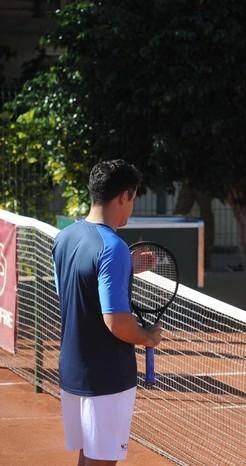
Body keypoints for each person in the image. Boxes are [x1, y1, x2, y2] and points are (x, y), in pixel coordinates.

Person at [52, 159, 163, 466]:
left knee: (88, 457)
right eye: (134, 198)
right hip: (107, 376)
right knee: (102, 462)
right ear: (123, 196)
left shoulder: (65, 237)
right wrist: (147, 337)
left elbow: (76, 291)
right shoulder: (112, 248)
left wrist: (127, 269)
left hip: (74, 371)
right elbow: (117, 322)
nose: (132, 207)